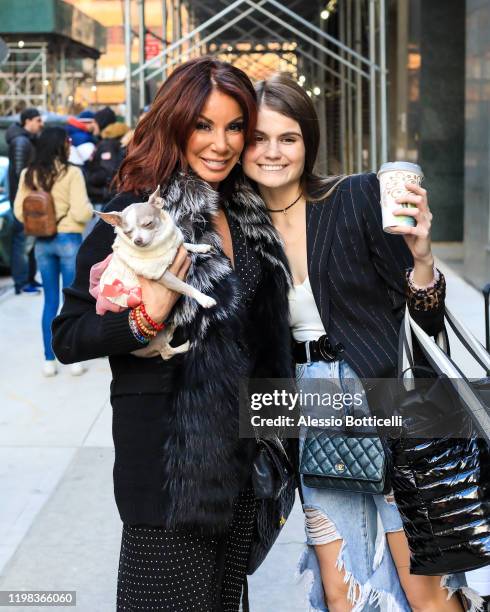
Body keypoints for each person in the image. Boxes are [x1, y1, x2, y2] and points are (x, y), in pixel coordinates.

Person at [51, 58, 293, 611]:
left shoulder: (249, 213)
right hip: (168, 475)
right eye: (204, 125)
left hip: (241, 473)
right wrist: (145, 316)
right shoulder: (136, 216)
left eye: (236, 127)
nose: (221, 143)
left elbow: (263, 341)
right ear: (175, 125)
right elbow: (67, 336)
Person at [242, 74, 483, 612]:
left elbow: (422, 315)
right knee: (342, 588)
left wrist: (422, 259)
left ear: (308, 142)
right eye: (258, 138)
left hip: (392, 401)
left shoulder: (353, 197)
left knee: (426, 586)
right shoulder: (237, 225)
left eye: (288, 138)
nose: (273, 152)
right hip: (307, 406)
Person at [14, 127, 93, 377]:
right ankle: (73, 359)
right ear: (61, 145)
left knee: (49, 301)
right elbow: (82, 212)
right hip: (68, 238)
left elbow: (19, 211)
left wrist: (40, 223)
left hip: (42, 241)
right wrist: (78, 217)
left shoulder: (29, 173)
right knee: (72, 302)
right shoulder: (71, 173)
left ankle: (49, 360)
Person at [6, 107, 44, 294]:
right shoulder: (21, 142)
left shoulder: (27, 139)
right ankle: (21, 283)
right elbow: (21, 175)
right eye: (38, 120)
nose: (41, 123)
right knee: (22, 243)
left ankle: (29, 278)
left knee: (29, 243)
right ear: (27, 121)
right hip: (23, 202)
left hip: (28, 200)